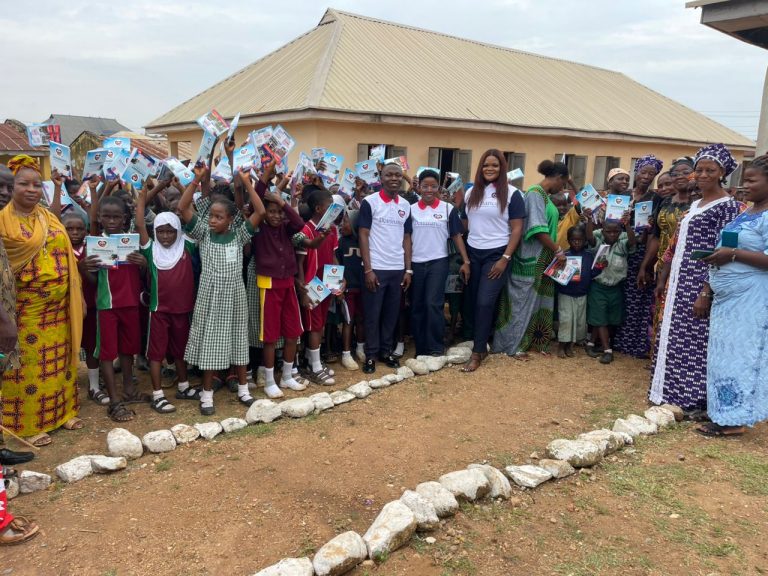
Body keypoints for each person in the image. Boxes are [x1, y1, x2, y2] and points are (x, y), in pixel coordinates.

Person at [649, 144, 744, 415]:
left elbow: (722, 252)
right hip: (678, 282)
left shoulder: (728, 208)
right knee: (674, 336)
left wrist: (706, 291)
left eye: (710, 170)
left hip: (699, 283)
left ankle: (692, 398)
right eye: (699, 170)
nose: (702, 175)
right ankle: (667, 392)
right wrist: (664, 278)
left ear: (722, 173)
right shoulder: (694, 205)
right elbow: (675, 245)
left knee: (695, 340)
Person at [0, 156, 83, 446]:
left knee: (59, 363)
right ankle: (29, 424)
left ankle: (62, 413)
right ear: (11, 187)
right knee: (28, 368)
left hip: (58, 310)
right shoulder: (3, 221)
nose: (32, 189)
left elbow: (54, 238)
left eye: (37, 184)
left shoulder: (47, 217)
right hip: (25, 312)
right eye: (24, 184)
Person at [179, 166, 262, 415]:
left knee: (239, 341)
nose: (213, 220)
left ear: (230, 219)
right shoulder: (203, 233)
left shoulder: (239, 235)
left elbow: (260, 211)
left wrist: (247, 183)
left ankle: (244, 390)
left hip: (235, 296)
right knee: (210, 343)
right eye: (211, 216)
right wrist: (196, 180)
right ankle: (206, 396)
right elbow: (183, 208)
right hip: (211, 296)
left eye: (219, 217)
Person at [697, 155, 768, 436]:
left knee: (741, 357)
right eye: (743, 180)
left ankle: (734, 420)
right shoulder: (747, 212)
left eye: (751, 180)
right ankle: (722, 410)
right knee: (723, 355)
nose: (744, 185)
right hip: (728, 300)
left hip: (751, 301)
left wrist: (734, 254)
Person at [84, 179, 146, 423]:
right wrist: (83, 268)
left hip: (130, 304)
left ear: (124, 218)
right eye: (106, 217)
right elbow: (92, 279)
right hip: (107, 305)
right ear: (100, 218)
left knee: (128, 349)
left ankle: (129, 389)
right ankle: (114, 400)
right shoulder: (96, 242)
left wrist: (142, 264)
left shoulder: (131, 242)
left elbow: (143, 275)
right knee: (108, 353)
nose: (111, 221)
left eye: (116, 217)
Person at [493, 160, 568, 358]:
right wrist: (558, 250)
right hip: (530, 258)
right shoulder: (535, 194)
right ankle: (511, 345)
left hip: (541, 257)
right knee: (521, 303)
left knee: (535, 303)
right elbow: (537, 229)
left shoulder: (543, 195)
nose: (563, 189)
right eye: (563, 183)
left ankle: (529, 342)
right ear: (558, 178)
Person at [460, 150, 525, 372]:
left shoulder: (513, 194)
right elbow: (465, 224)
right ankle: (479, 342)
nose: (489, 169)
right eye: (486, 165)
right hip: (473, 253)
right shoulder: (471, 193)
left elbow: (517, 229)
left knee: (484, 302)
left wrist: (505, 258)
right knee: (472, 302)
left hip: (496, 254)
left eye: (495, 165)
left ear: (502, 168)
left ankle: (478, 351)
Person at [135, 188, 197, 413]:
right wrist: (143, 195)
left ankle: (183, 386)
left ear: (178, 230)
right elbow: (140, 223)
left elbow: (192, 215)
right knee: (156, 353)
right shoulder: (151, 249)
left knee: (180, 351)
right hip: (159, 311)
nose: (166, 236)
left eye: (171, 231)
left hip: (182, 310)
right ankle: (158, 395)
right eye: (160, 232)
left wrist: (187, 186)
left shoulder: (187, 245)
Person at [250, 173, 307, 398]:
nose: (276, 216)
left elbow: (299, 223)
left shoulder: (286, 227)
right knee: (270, 335)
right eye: (271, 211)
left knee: (293, 332)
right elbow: (256, 197)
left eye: (279, 212)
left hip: (288, 284)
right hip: (269, 284)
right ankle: (269, 380)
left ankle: (287, 376)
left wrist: (283, 203)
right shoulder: (259, 228)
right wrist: (266, 174)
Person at [408, 169, 470, 357]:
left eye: (433, 186)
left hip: (438, 263)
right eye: (425, 186)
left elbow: (456, 236)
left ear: (438, 188)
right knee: (417, 306)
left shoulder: (447, 209)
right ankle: (421, 349)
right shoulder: (411, 209)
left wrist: (466, 260)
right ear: (419, 187)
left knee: (433, 304)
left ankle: (435, 347)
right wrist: (407, 267)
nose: (429, 190)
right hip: (416, 263)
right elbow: (406, 238)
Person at [358, 162, 413, 374]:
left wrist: (408, 270)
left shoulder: (405, 205)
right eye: (389, 175)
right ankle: (371, 355)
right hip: (376, 268)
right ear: (381, 178)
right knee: (373, 314)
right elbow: (363, 234)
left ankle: (385, 351)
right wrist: (368, 269)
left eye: (398, 175)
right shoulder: (370, 202)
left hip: (397, 268)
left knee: (392, 313)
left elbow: (407, 238)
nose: (394, 179)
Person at [638, 157, 693, 341]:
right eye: (676, 173)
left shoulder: (698, 203)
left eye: (686, 172)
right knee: (659, 306)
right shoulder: (665, 202)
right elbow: (655, 236)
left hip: (686, 266)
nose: (680, 177)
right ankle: (657, 351)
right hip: (663, 264)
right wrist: (645, 266)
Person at [613, 155, 662, 359]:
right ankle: (613, 339)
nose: (646, 176)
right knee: (618, 294)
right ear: (636, 171)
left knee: (636, 296)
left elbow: (654, 230)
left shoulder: (656, 198)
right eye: (643, 172)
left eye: (651, 174)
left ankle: (633, 342)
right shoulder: (623, 195)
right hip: (619, 246)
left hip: (640, 251)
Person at [294, 188, 340, 385]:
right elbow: (299, 263)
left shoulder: (332, 229)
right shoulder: (306, 230)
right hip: (312, 284)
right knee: (313, 326)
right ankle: (315, 367)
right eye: (330, 206)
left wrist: (340, 278)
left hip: (328, 281)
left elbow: (333, 255)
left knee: (320, 324)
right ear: (319, 208)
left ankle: (313, 360)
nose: (334, 210)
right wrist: (303, 289)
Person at [63, 212, 106, 405]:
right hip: (65, 308)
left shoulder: (91, 250)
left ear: (86, 231)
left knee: (91, 347)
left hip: (91, 306)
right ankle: (65, 388)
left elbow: (96, 281)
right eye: (69, 229)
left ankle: (94, 387)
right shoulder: (59, 249)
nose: (74, 232)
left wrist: (83, 269)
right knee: (65, 348)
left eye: (79, 229)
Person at [584, 210, 636, 363]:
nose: (612, 234)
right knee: (600, 318)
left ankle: (591, 344)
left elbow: (632, 242)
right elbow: (590, 238)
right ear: (602, 231)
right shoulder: (599, 242)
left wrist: (627, 225)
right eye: (608, 231)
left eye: (616, 231)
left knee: (608, 318)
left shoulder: (622, 243)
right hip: (598, 286)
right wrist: (589, 220)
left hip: (615, 287)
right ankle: (607, 350)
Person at [556, 226, 600, 358]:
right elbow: (556, 275)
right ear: (568, 240)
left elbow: (592, 274)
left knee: (578, 321)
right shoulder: (564, 256)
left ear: (585, 241)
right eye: (573, 240)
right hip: (566, 293)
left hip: (582, 293)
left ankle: (570, 346)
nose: (576, 242)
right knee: (566, 320)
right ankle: (561, 346)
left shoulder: (588, 256)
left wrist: (600, 267)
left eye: (580, 240)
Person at [337, 209, 366, 370]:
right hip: (347, 289)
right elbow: (336, 265)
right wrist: (338, 290)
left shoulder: (364, 240)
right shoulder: (341, 242)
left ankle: (360, 348)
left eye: (346, 221)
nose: (342, 224)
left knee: (361, 319)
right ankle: (346, 354)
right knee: (348, 320)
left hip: (362, 287)